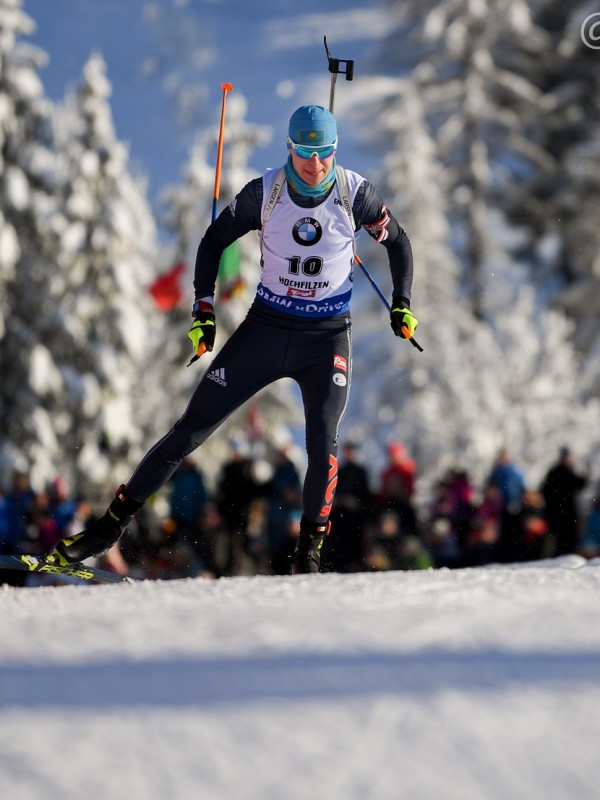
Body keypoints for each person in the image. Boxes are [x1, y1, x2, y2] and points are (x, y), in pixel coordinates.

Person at [45, 104, 417, 575]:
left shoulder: (355, 194)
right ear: (289, 148)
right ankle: (106, 530)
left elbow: (398, 241)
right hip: (266, 330)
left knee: (323, 440)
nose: (315, 163)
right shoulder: (266, 192)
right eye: (305, 152)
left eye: (324, 152)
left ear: (334, 149)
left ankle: (308, 557)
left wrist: (401, 302)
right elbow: (212, 241)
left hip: (325, 340)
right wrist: (203, 309)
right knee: (190, 429)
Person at [541, 447, 588, 556]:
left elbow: (580, 485)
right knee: (558, 543)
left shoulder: (571, 472)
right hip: (557, 514)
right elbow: (546, 492)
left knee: (571, 541)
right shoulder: (554, 473)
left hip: (569, 513)